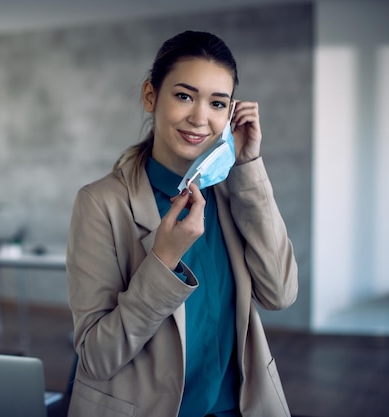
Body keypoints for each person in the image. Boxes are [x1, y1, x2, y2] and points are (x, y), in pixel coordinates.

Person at [65, 30, 298, 417]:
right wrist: (163, 261)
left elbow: (280, 294)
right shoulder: (100, 203)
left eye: (218, 103)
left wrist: (248, 167)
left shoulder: (231, 193)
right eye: (184, 96)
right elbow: (97, 358)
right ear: (150, 96)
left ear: (230, 113)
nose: (200, 117)